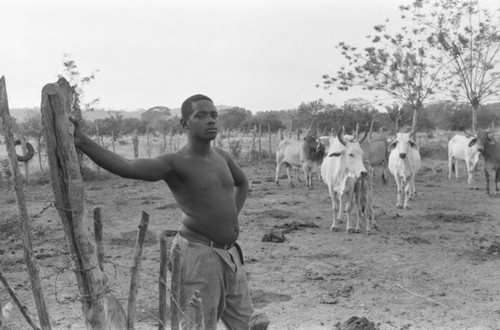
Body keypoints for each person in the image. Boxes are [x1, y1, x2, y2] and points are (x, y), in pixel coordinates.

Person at [71, 94, 268, 330]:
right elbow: (127, 166)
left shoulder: (222, 157)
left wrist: (229, 221)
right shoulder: (176, 163)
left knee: (249, 325)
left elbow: (243, 183)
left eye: (214, 115)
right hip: (198, 256)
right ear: (185, 124)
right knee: (196, 325)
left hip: (230, 255)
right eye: (201, 115)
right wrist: (82, 141)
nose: (211, 120)